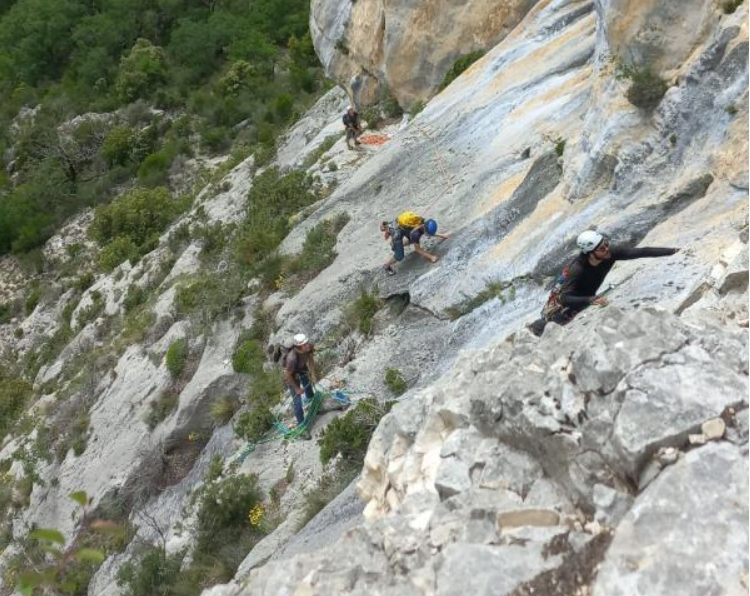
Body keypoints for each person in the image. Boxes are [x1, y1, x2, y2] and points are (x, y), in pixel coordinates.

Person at [530, 230, 679, 336]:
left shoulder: (610, 254)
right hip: (569, 302)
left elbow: (641, 252)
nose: (607, 249)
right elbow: (565, 298)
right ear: (590, 252)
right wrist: (590, 300)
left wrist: (672, 251)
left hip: (586, 296)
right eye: (602, 248)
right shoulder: (578, 269)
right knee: (550, 327)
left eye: (606, 243)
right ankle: (533, 330)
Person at [380, 212, 450, 275]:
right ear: (425, 230)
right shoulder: (416, 234)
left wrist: (442, 235)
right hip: (396, 232)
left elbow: (430, 232)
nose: (429, 236)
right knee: (399, 255)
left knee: (412, 240)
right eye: (428, 234)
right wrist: (431, 257)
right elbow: (418, 249)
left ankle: (397, 244)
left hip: (401, 226)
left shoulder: (423, 222)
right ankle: (386, 266)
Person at [283, 333, 317, 439]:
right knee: (297, 401)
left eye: (306, 343)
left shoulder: (309, 347)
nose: (307, 345)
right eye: (304, 344)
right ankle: (302, 428)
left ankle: (312, 401)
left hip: (301, 367)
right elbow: (288, 375)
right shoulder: (291, 359)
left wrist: (313, 374)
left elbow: (310, 359)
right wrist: (297, 388)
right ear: (298, 347)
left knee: (308, 383)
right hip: (292, 374)